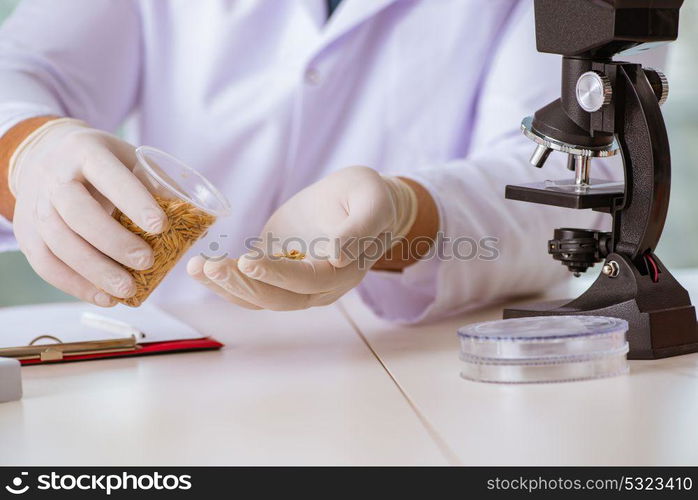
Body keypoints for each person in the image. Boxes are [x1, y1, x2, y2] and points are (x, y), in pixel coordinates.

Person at [0, 0, 632, 322]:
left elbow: (585, 176)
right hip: (171, 346)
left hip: (424, 364)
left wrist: (406, 218)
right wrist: (30, 151)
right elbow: (22, 70)